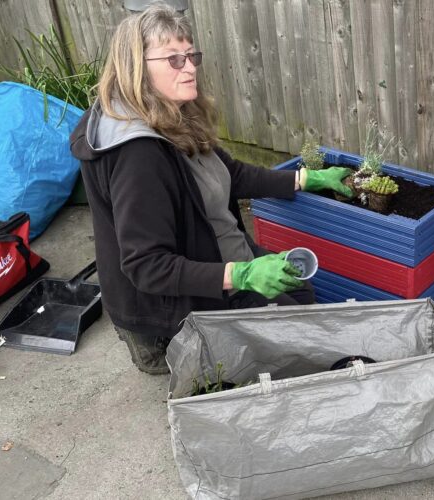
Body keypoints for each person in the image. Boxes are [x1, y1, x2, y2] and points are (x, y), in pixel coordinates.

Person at [70, 3, 353, 375]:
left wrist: (303, 179)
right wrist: (242, 276)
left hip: (216, 254)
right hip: (167, 310)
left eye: (190, 55)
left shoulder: (172, 111)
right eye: (173, 59)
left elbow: (228, 174)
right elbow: (147, 266)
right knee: (294, 346)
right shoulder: (138, 154)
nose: (189, 67)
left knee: (301, 293)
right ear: (137, 67)